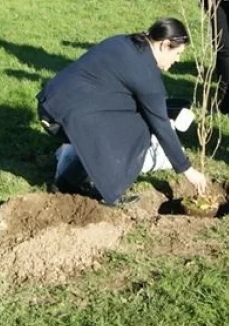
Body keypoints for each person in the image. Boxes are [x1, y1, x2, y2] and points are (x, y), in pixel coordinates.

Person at [36, 18, 208, 206]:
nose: (178, 60)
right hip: (61, 119)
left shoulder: (127, 42)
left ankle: (67, 182)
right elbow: (162, 127)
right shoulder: (146, 75)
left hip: (50, 104)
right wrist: (188, 171)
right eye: (177, 53)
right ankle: (109, 189)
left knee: (128, 119)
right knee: (138, 131)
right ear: (165, 45)